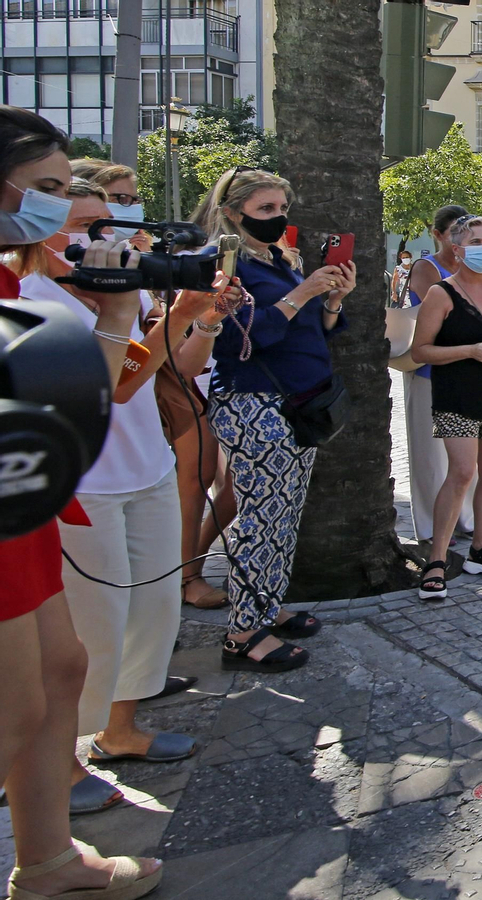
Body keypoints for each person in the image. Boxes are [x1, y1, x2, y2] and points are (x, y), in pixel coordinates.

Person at [0, 105, 164, 900]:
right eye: (48, 188)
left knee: (61, 670)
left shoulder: (11, 279)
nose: (63, 208)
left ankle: (49, 859)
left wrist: (121, 312)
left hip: (24, 509)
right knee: (15, 704)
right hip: (17, 509)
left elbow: (86, 399)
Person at [187, 165, 355, 673]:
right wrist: (302, 293)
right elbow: (246, 338)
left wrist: (331, 300)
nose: (277, 218)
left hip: (295, 402)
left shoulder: (277, 258)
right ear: (232, 212)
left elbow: (315, 331)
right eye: (265, 210)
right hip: (253, 403)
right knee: (262, 519)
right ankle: (242, 634)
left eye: (281, 209)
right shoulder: (222, 263)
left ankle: (264, 607)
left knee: (284, 516)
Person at [74, 157, 227, 612]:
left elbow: (171, 363)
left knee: (152, 605)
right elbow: (118, 383)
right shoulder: (33, 293)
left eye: (129, 203)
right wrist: (173, 315)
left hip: (150, 446)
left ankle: (146, 679)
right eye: (93, 222)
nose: (118, 223)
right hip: (93, 470)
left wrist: (203, 319)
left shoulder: (135, 284)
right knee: (102, 611)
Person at [408, 215, 482, 601]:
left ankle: (481, 547)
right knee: (461, 473)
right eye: (477, 242)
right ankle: (438, 560)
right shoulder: (441, 294)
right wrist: (469, 351)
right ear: (457, 249)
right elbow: (420, 351)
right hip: (457, 394)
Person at [389, 205, 476, 548]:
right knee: (429, 451)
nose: (460, 237)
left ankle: (463, 518)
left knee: (465, 454)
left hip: (467, 369)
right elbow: (449, 313)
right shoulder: (428, 268)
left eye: (466, 230)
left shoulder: (475, 267)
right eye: (454, 230)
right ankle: (429, 525)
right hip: (429, 369)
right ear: (438, 235)